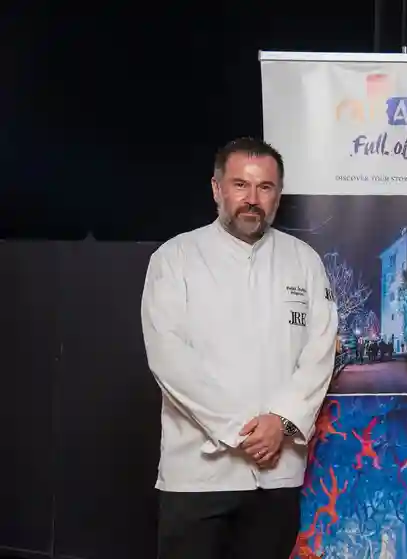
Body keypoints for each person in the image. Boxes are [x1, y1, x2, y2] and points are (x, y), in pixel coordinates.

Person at [140, 137, 338, 559]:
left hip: (277, 473)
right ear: (217, 189)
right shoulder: (175, 258)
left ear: (278, 195)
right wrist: (240, 432)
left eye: (265, 187)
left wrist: (281, 422)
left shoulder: (304, 261)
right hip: (197, 475)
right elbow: (169, 357)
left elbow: (320, 352)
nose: (252, 199)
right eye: (240, 185)